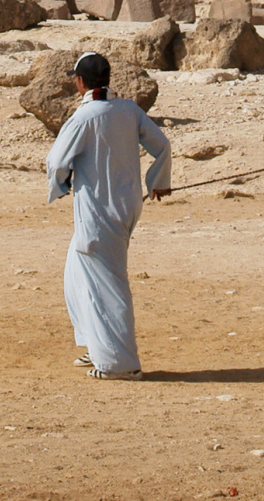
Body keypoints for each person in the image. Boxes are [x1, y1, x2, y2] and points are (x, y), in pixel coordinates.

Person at [46, 51, 172, 380]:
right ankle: (96, 344)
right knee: (76, 273)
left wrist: (62, 183)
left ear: (80, 82)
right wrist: (158, 182)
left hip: (99, 212)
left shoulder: (84, 117)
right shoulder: (128, 109)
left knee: (109, 282)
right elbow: (162, 144)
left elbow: (57, 161)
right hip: (127, 206)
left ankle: (120, 364)